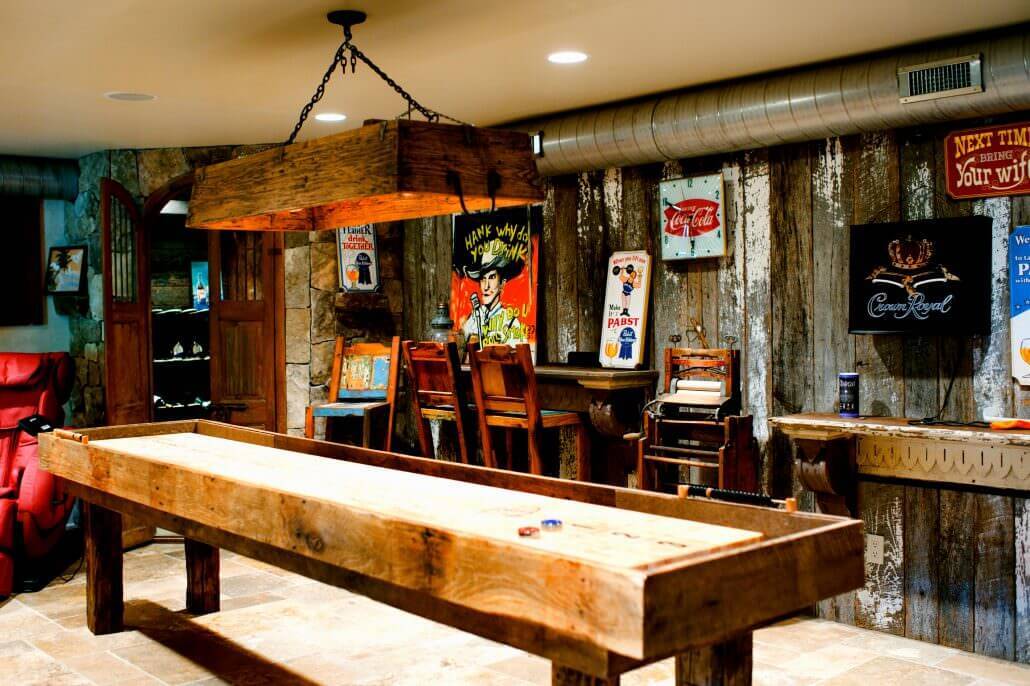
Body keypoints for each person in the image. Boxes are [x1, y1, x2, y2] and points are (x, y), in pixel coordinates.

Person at [461, 247, 525, 346]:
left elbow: (521, 353)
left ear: (502, 283)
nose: (486, 286)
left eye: (492, 277)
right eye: (483, 279)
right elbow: (459, 347)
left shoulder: (510, 321)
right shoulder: (473, 318)